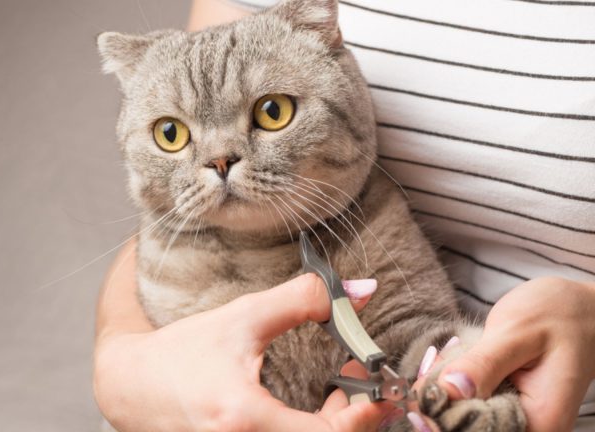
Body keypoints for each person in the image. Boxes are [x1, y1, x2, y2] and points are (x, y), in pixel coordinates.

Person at [94, 0, 595, 430]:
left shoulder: (374, 223)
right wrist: (119, 365)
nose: (219, 161)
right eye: (171, 135)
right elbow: (136, 357)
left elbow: (416, 344)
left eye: (272, 111)